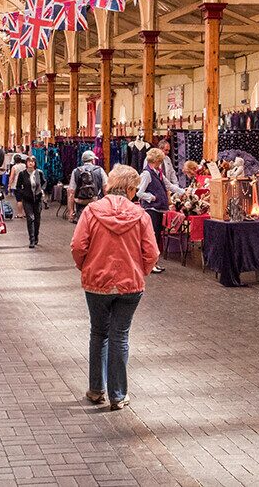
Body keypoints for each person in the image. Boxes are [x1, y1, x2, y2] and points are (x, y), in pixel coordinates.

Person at [70, 165, 159, 411]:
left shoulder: (91, 211)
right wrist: (141, 271)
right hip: (130, 286)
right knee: (120, 336)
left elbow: (78, 246)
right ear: (130, 189)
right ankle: (118, 395)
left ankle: (96, 389)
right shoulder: (141, 216)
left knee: (99, 333)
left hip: (96, 283)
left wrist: (85, 267)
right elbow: (151, 252)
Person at [136, 148, 184, 274]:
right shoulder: (147, 174)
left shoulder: (158, 173)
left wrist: (183, 191)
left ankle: (153, 263)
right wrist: (151, 197)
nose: (161, 162)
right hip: (151, 209)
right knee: (152, 237)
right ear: (156, 160)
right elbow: (139, 192)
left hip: (158, 210)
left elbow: (169, 185)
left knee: (156, 237)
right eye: (160, 160)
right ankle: (151, 264)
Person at [13, 155, 45, 248]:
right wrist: (23, 193)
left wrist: (41, 190)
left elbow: (44, 182)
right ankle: (31, 239)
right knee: (30, 218)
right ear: (26, 163)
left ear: (35, 163)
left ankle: (36, 236)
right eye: (29, 161)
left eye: (32, 161)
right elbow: (18, 186)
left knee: (37, 219)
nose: (31, 163)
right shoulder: (23, 174)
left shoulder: (39, 173)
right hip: (27, 200)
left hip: (38, 199)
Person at [68, 151, 108, 223]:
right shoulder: (100, 170)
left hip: (80, 204)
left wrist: (71, 210)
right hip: (96, 202)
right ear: (93, 160)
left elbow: (71, 192)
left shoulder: (76, 171)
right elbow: (106, 189)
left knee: (82, 226)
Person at [8, 153, 26, 218]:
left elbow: (12, 177)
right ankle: (25, 213)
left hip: (16, 184)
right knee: (24, 199)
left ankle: (20, 213)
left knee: (19, 200)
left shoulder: (14, 167)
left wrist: (9, 185)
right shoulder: (24, 166)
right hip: (25, 184)